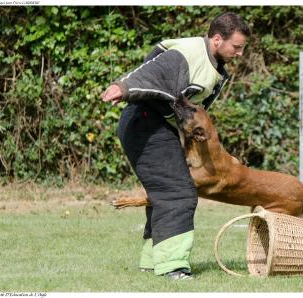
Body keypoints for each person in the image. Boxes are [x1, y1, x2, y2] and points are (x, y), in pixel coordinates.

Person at [102, 12, 250, 280]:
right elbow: (151, 71)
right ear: (217, 39)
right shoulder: (187, 54)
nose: (239, 53)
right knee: (178, 193)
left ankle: (153, 261)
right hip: (144, 124)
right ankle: (173, 268)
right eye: (236, 47)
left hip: (158, 127)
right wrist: (123, 87)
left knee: (164, 193)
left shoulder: (215, 65)